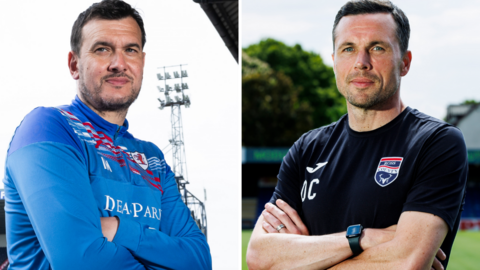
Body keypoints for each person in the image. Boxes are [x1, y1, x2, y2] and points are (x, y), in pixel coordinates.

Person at [246, 1, 467, 270]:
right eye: (348, 49)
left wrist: (304, 260)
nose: (361, 63)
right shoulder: (306, 150)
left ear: (404, 63)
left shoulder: (437, 143)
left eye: (377, 48)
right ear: (334, 61)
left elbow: (407, 262)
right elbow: (259, 258)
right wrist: (363, 238)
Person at [3, 0, 212, 269]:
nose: (118, 63)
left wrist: (118, 228)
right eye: (102, 49)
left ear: (142, 62)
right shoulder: (48, 127)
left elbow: (198, 259)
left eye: (131, 50)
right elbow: (81, 261)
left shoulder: (152, 158)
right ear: (74, 64)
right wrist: (160, 252)